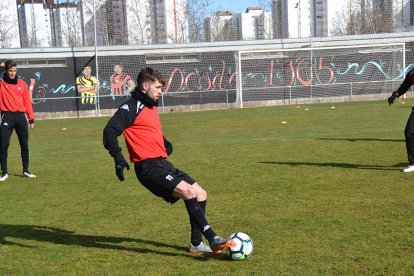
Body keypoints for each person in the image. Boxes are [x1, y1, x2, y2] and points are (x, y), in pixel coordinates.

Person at [103, 67, 234, 253]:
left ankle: (195, 243)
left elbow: (148, 129)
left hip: (162, 164)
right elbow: (109, 131)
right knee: (188, 192)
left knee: (200, 193)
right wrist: (118, 157)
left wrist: (164, 142)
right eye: (157, 87)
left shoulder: (150, 106)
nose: (160, 91)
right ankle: (212, 238)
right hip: (147, 168)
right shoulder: (131, 107)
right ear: (145, 86)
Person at [0, 60, 36, 181]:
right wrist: (1, 67)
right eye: (10, 71)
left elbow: (27, 102)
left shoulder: (22, 84)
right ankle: (4, 172)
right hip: (7, 116)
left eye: (14, 71)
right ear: (6, 71)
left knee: (24, 145)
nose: (12, 73)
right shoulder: (1, 84)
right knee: (3, 145)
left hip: (21, 117)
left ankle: (26, 170)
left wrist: (31, 119)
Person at [388, 67, 414, 172]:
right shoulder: (412, 73)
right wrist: (395, 95)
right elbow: (404, 87)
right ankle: (413, 164)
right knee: (409, 133)